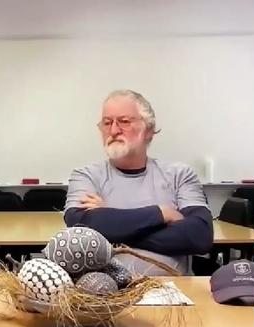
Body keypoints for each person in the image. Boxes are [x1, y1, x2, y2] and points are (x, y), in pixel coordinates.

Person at [64, 90, 213, 275]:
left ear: (148, 130)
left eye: (124, 122)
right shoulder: (86, 176)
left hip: (175, 292)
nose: (113, 130)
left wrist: (111, 225)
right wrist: (162, 214)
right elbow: (80, 225)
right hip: (104, 294)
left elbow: (199, 236)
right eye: (107, 122)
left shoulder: (179, 175)